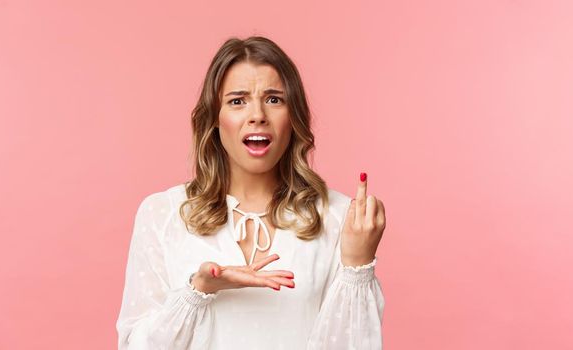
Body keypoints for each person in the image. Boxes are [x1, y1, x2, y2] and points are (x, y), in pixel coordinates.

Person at [116, 36, 387, 349]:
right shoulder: (163, 214)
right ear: (215, 120)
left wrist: (357, 262)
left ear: (293, 117)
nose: (257, 114)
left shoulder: (339, 217)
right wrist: (198, 290)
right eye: (237, 101)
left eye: (274, 99)